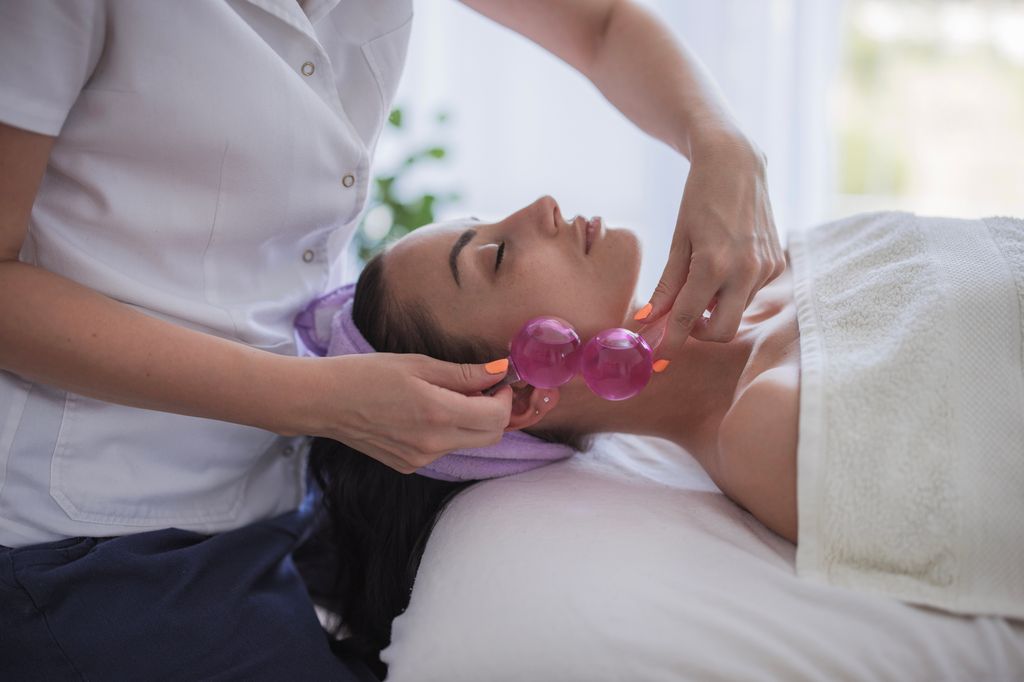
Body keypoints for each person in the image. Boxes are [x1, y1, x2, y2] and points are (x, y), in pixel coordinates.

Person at [0, 1, 779, 678]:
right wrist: (313, 401)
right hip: (88, 532)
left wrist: (722, 146)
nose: (543, 202)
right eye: (493, 254)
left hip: (268, 500)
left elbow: (602, 22)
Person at [298, 196, 1024, 677]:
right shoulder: (772, 431)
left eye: (492, 220)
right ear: (518, 393)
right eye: (494, 255)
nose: (540, 207)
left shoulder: (782, 258)